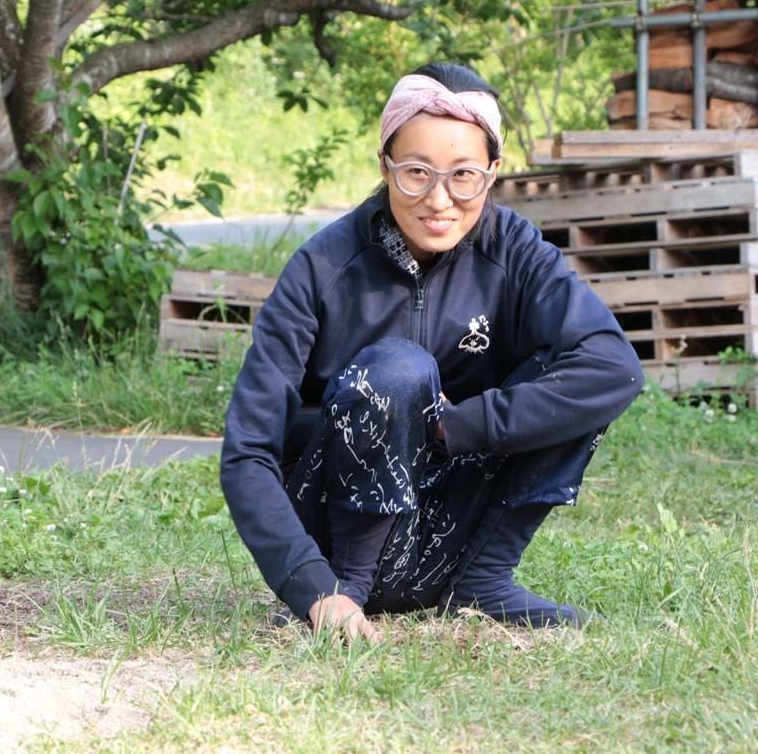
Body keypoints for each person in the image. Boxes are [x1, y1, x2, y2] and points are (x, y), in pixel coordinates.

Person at [219, 63, 644, 642]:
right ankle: (350, 593)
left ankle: (483, 580)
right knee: (397, 370)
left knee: (573, 371)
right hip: (336, 543)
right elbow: (248, 450)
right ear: (384, 167)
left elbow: (613, 367)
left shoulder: (515, 251)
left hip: (454, 524)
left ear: (492, 174)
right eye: (416, 173)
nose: (439, 200)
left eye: (463, 175)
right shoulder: (321, 267)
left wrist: (458, 425)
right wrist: (312, 588)